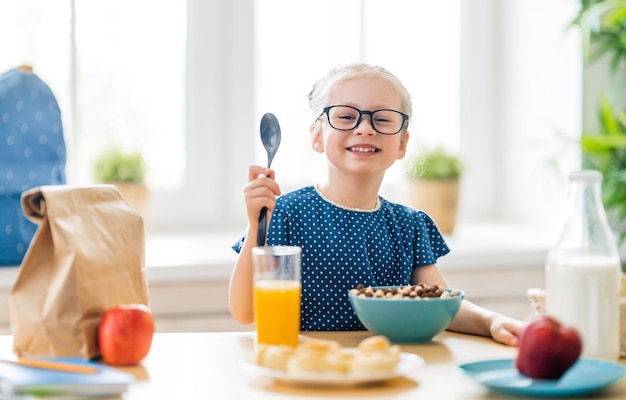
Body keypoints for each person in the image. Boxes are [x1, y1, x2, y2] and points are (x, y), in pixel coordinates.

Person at [229, 63, 524, 346]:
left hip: (386, 365)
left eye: (382, 119)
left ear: (402, 144)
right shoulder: (285, 213)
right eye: (346, 117)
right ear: (317, 136)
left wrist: (491, 322)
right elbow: (245, 312)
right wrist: (256, 224)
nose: (365, 128)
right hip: (307, 367)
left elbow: (441, 305)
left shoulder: (410, 224)